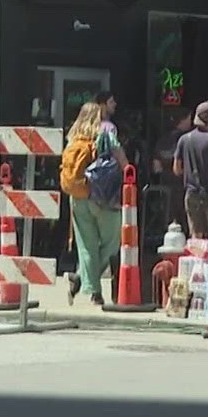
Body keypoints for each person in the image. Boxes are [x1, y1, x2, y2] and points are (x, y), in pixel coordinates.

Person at [62, 102, 122, 306]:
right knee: (112, 243)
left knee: (86, 247)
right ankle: (84, 280)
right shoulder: (105, 133)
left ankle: (91, 288)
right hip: (102, 196)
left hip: (77, 198)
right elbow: (122, 160)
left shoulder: (72, 138)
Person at [173, 101, 208, 239]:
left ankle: (197, 260)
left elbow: (176, 169)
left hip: (191, 193)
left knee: (196, 235)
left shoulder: (184, 139)